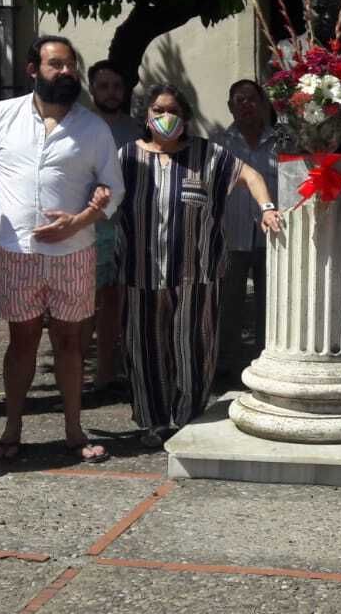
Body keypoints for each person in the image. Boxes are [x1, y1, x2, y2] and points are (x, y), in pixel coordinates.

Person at [0, 35, 124, 464]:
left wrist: (80, 220)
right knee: (22, 341)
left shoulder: (93, 127)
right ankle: (12, 429)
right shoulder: (2, 116)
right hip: (16, 249)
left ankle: (74, 431)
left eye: (71, 64)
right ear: (33, 69)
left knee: (70, 343)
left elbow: (113, 188)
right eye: (57, 64)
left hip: (74, 251)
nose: (67, 72)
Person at [117, 83, 282, 446]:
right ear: (147, 115)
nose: (166, 117)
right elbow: (100, 193)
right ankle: (152, 421)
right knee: (145, 349)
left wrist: (267, 208)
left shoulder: (209, 154)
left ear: (186, 117)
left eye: (173, 111)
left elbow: (251, 175)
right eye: (158, 110)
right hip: (140, 274)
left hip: (197, 274)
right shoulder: (126, 157)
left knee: (193, 348)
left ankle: (186, 417)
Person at [82, 59, 139, 401]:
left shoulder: (137, 130)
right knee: (82, 307)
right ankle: (76, 378)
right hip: (87, 229)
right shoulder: (79, 126)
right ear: (92, 90)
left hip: (124, 227)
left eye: (117, 86)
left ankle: (106, 375)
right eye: (103, 86)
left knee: (114, 305)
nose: (111, 93)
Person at [215, 79, 279, 381]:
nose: (246, 105)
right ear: (230, 107)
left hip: (273, 238)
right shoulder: (219, 144)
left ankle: (268, 360)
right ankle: (224, 363)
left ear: (263, 104)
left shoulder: (282, 142)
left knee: (271, 304)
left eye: (252, 99)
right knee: (228, 304)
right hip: (231, 236)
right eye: (239, 100)